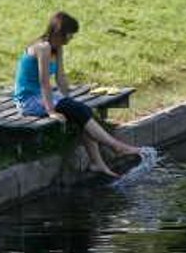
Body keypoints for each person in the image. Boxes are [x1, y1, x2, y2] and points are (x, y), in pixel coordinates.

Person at [14, 12, 157, 178]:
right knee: (76, 110)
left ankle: (98, 163)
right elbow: (44, 81)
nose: (71, 38)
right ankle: (117, 147)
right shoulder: (43, 48)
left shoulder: (57, 48)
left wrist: (67, 97)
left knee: (79, 111)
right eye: (70, 34)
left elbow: (60, 76)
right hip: (28, 101)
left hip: (43, 97)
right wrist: (52, 111)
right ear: (60, 31)